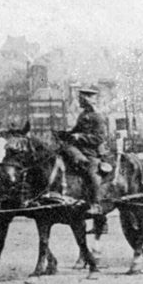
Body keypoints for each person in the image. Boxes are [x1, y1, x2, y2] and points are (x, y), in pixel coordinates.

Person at [59, 87, 109, 216]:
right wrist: (65, 134)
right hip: (78, 149)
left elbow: (100, 138)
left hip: (91, 151)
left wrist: (80, 137)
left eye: (81, 99)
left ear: (88, 99)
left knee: (91, 171)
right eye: (79, 98)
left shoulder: (97, 116)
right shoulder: (83, 115)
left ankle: (96, 204)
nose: (79, 101)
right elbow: (75, 131)